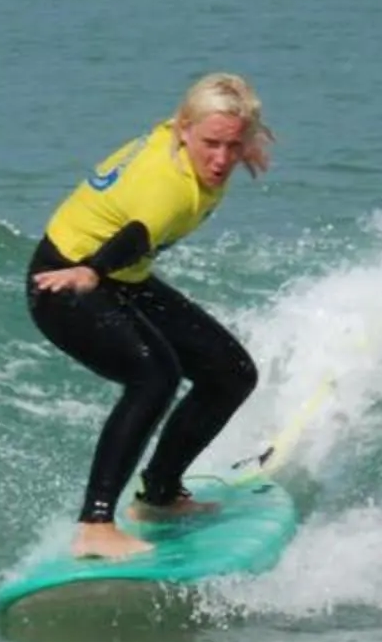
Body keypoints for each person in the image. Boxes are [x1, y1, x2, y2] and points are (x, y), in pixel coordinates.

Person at [25, 72, 273, 561]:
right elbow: (135, 237)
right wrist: (93, 272)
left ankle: (159, 495)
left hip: (122, 280)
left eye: (233, 146)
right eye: (211, 144)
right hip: (67, 280)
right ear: (185, 129)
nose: (221, 159)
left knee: (230, 373)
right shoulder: (170, 187)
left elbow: (219, 119)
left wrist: (250, 140)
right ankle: (95, 525)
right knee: (153, 376)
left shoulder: (182, 131)